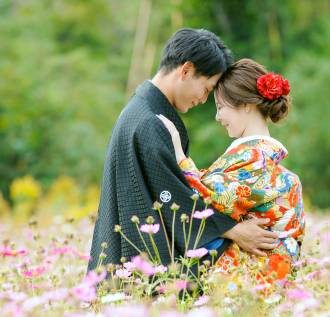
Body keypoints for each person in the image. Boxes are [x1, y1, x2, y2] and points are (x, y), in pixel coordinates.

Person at [88, 29, 280, 277]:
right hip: (136, 261)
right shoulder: (148, 121)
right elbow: (170, 195)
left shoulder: (144, 110)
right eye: (207, 88)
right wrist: (233, 230)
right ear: (186, 71)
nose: (203, 99)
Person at [157, 59, 305, 287]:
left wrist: (179, 155)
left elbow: (203, 199)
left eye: (220, 107)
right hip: (273, 282)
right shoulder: (270, 164)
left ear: (245, 104)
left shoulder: (251, 159)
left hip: (246, 284)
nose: (217, 117)